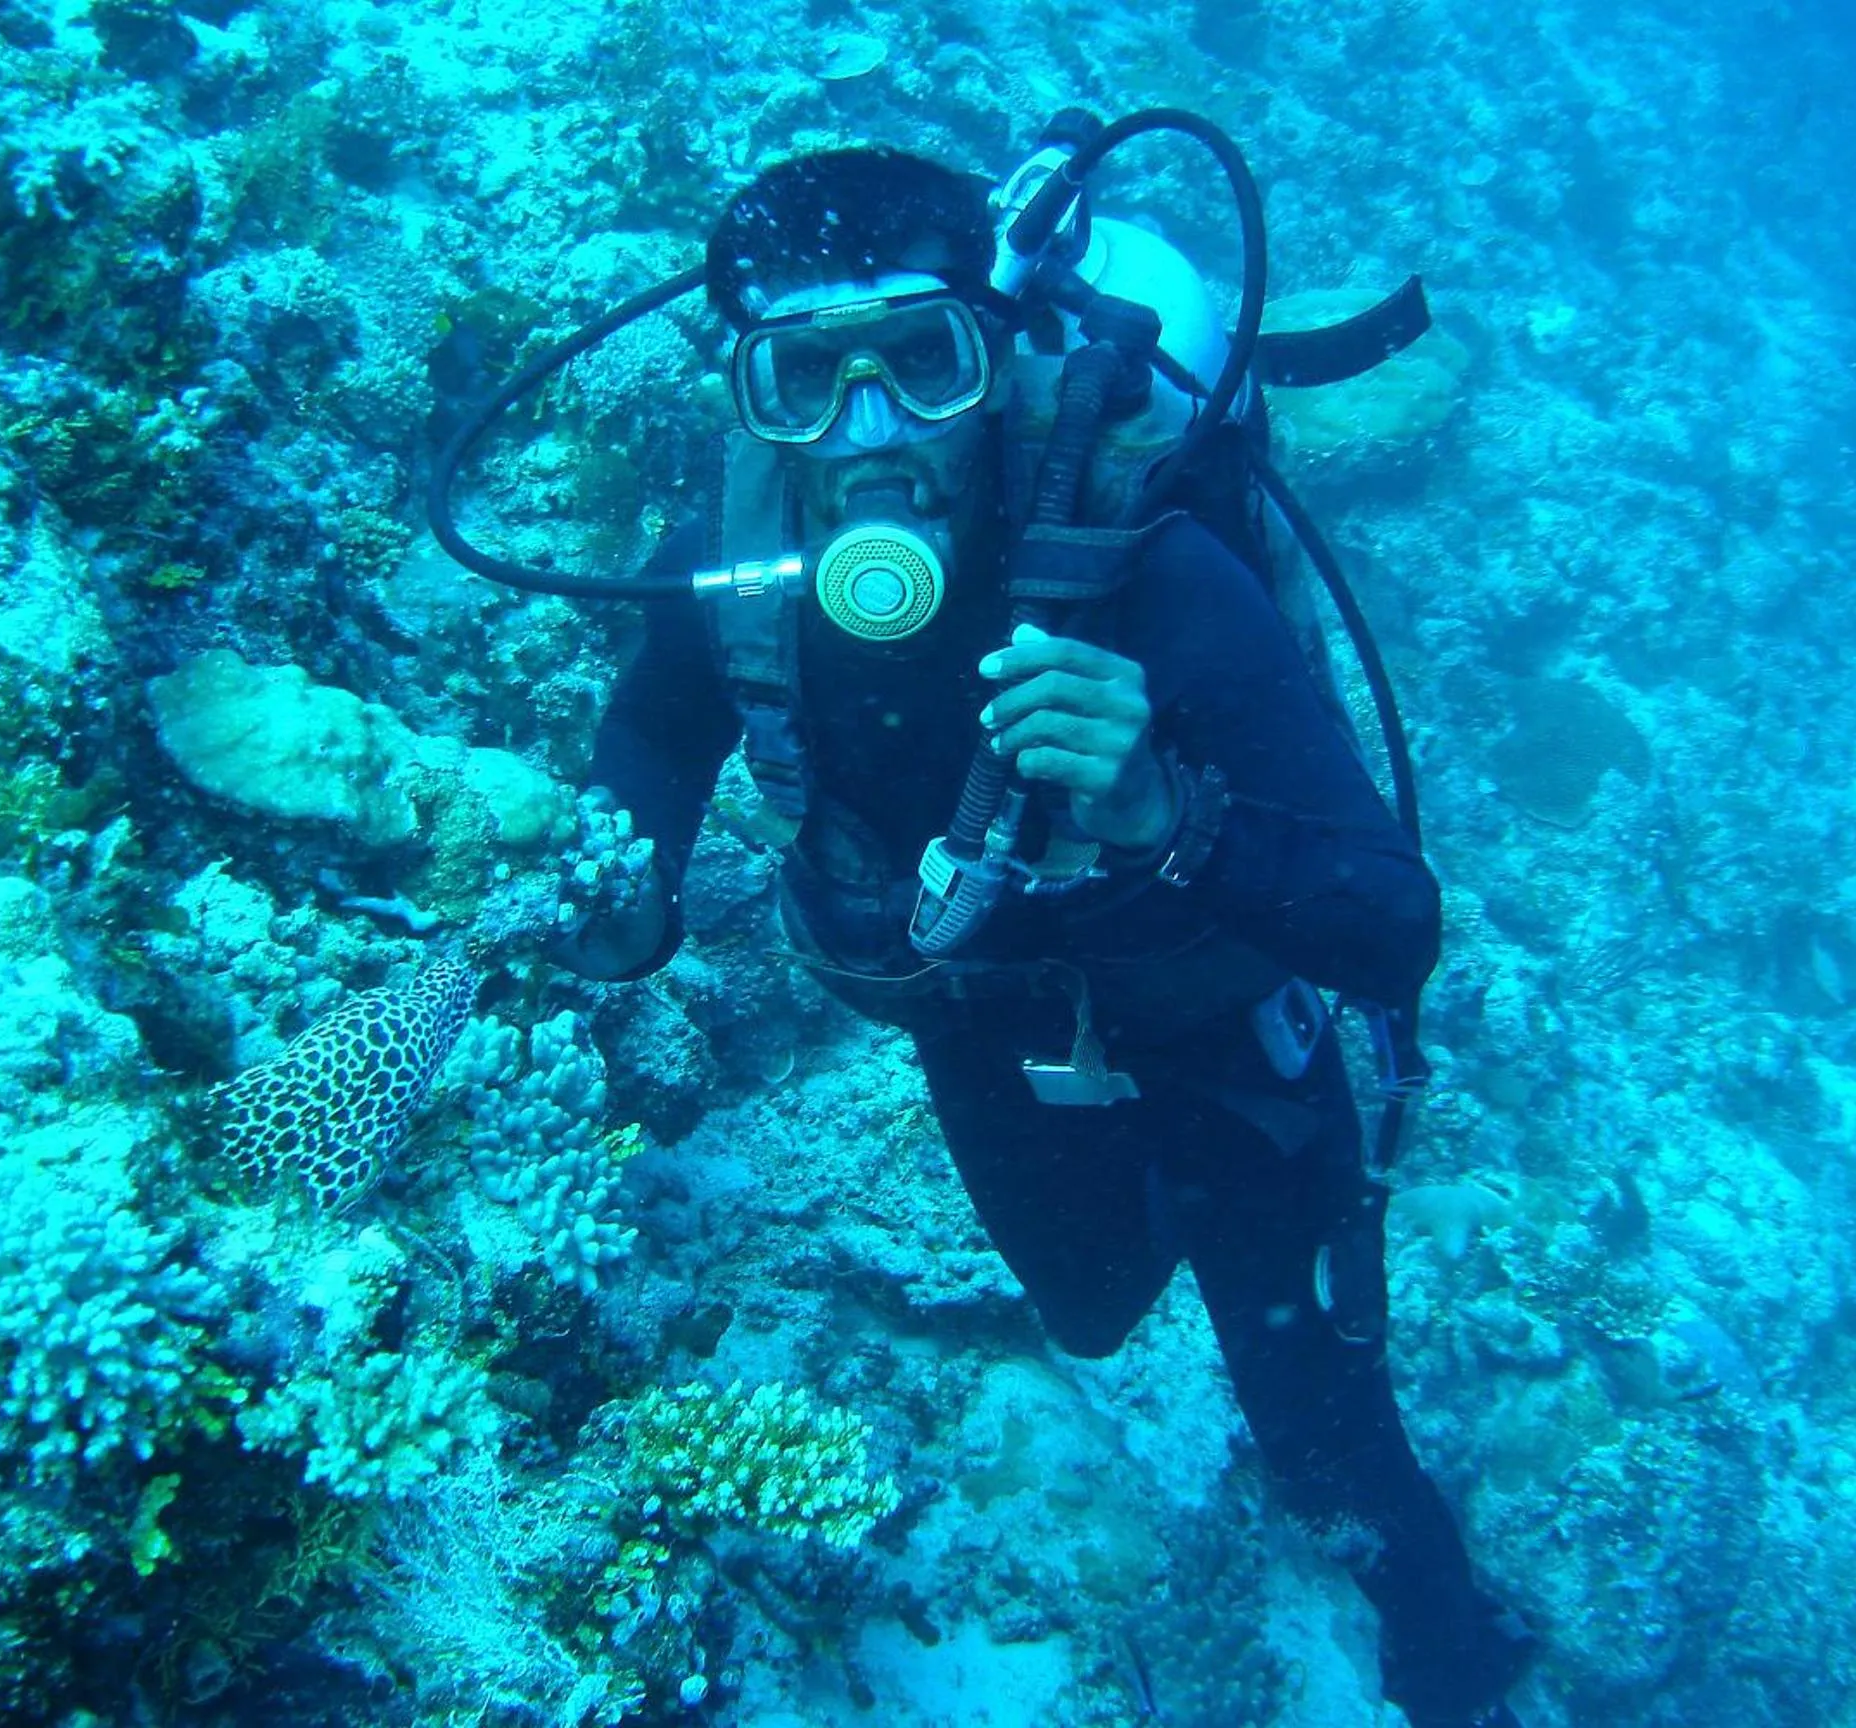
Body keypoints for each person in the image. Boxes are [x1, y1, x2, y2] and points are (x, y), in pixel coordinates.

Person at [556, 146, 1534, 1728]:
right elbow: (657, 743)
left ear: (996, 354)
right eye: (805, 380)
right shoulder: (729, 567)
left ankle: (1452, 1647)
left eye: (921, 365)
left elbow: (1390, 927)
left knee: (1319, 1438)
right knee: (1087, 1307)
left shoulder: (1149, 560)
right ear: (750, 398)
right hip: (977, 1004)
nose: (869, 438)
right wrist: (626, 901)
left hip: (1214, 1017)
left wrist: (1167, 812)